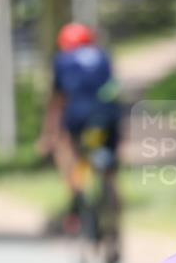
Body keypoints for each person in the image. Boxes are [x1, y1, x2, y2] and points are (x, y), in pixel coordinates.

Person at [38, 22, 122, 241]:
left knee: (67, 151)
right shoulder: (103, 56)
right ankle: (115, 224)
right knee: (110, 172)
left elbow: (57, 100)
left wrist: (49, 135)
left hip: (78, 117)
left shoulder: (62, 60)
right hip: (107, 117)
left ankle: (77, 196)